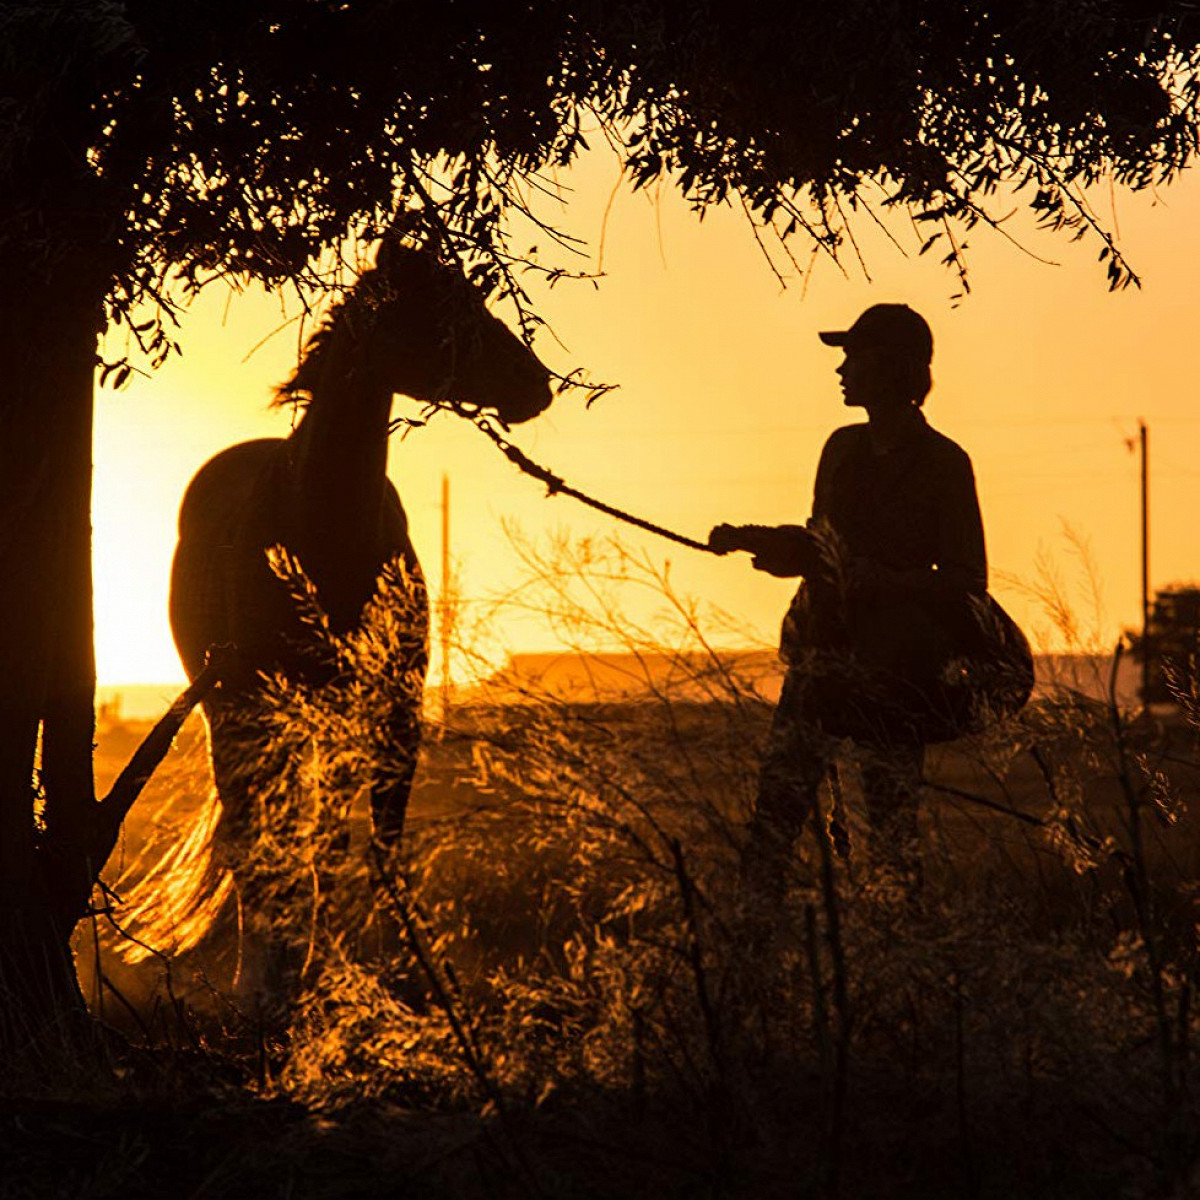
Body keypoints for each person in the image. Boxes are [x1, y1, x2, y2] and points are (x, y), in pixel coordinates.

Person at [709, 303, 988, 891]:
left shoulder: (945, 464)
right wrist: (753, 540)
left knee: (891, 833)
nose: (841, 370)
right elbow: (822, 546)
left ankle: (897, 952)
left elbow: (967, 579)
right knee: (775, 819)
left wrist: (879, 580)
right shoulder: (839, 449)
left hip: (896, 674)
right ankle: (754, 936)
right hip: (821, 659)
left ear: (888, 369)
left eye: (852, 358)